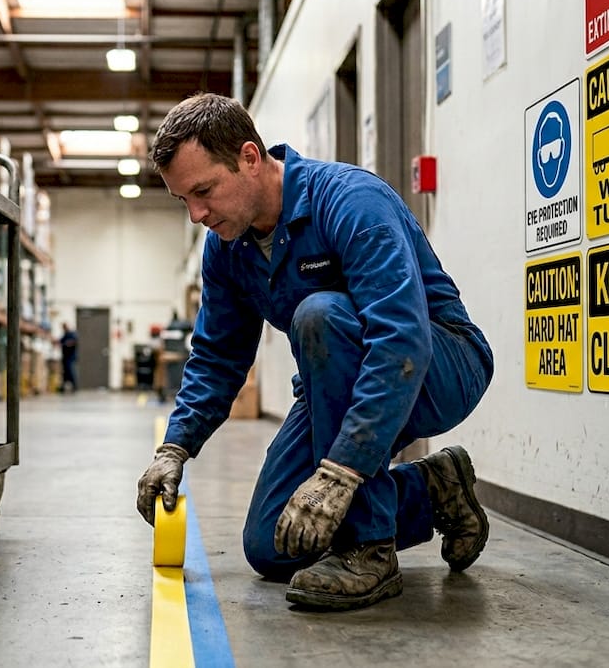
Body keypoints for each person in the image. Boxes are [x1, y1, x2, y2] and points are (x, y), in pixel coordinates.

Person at [135, 93, 494, 611]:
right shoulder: (228, 248)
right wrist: (175, 448)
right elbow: (217, 357)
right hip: (336, 390)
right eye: (183, 200)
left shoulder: (350, 200)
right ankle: (434, 488)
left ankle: (369, 552)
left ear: (250, 158)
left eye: (204, 191)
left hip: (439, 364)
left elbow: (400, 339)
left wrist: (341, 472)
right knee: (274, 543)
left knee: (319, 314)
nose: (196, 215)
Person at [58, 322, 78, 393]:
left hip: (70, 357)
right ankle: (63, 387)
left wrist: (66, 344)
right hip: (65, 357)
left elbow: (73, 342)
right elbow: (59, 341)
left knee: (71, 372)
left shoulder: (72, 334)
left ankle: (75, 386)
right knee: (65, 372)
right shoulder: (65, 335)